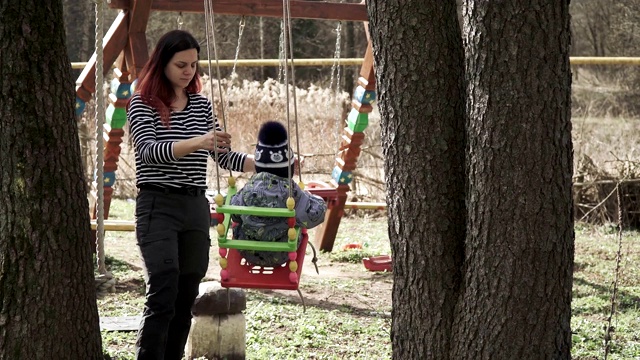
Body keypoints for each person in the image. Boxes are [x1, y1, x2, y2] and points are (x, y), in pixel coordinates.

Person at [127, 30, 255, 360]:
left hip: (195, 205)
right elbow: (148, 151)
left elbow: (222, 155)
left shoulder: (200, 104)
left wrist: (263, 164)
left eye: (194, 65)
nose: (189, 72)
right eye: (181, 64)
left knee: (187, 293)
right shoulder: (142, 102)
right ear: (161, 64)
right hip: (158, 204)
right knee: (163, 288)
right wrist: (199, 142)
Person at [231, 121, 327, 266]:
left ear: (257, 165)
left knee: (240, 223)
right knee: (298, 220)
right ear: (288, 167)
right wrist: (313, 198)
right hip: (281, 254)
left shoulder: (248, 188)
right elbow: (315, 216)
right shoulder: (291, 191)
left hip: (247, 251)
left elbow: (235, 213)